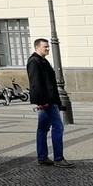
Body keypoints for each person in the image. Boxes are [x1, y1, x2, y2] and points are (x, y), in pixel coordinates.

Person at [28, 37, 72, 167]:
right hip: (47, 101)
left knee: (43, 128)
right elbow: (35, 83)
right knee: (58, 127)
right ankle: (58, 158)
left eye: (48, 46)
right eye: (45, 47)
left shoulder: (42, 61)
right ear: (37, 47)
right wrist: (42, 101)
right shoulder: (35, 61)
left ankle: (42, 157)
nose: (47, 49)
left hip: (49, 100)